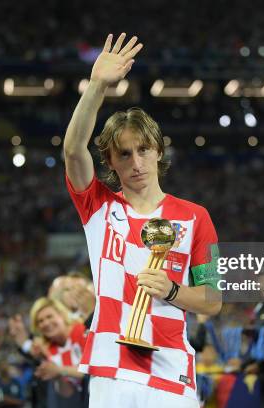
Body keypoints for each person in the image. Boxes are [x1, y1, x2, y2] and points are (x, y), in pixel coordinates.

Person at [63, 33, 222, 408]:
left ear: (158, 151)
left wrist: (170, 290)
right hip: (111, 370)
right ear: (111, 162)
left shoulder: (197, 217)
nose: (135, 163)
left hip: (172, 372)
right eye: (124, 154)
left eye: (143, 150)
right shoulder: (99, 207)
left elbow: (213, 299)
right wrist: (98, 86)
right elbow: (72, 150)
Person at [9, 297, 87, 407]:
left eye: (49, 316)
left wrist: (60, 370)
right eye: (40, 321)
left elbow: (92, 370)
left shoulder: (81, 331)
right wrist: (57, 375)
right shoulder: (49, 349)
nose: (45, 323)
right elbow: (68, 392)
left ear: (61, 315)